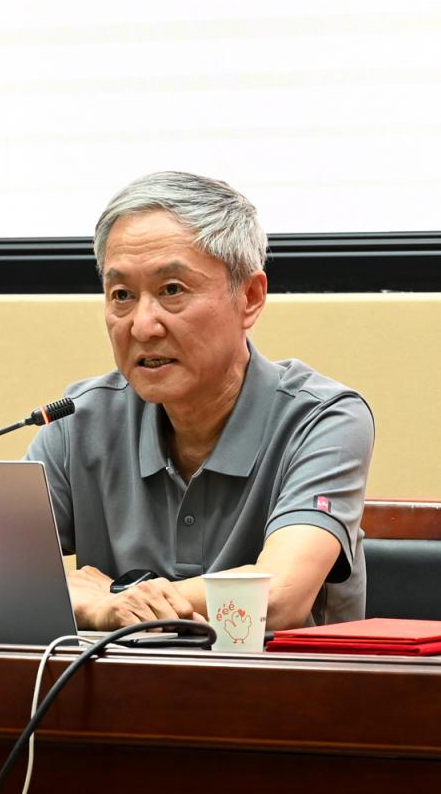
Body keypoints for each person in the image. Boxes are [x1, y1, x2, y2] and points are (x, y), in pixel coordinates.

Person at [25, 171, 374, 631]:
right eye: (122, 295)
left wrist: (112, 601)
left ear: (250, 297)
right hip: (115, 679)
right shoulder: (78, 421)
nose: (142, 326)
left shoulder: (323, 419)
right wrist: (71, 600)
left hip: (276, 678)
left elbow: (279, 596)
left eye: (172, 290)